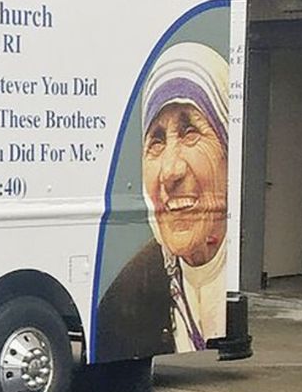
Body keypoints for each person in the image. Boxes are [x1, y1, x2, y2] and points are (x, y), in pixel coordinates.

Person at [95, 42, 229, 360]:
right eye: (156, 140)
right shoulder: (126, 294)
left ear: (227, 146)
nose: (170, 171)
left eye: (190, 133)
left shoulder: (237, 273)